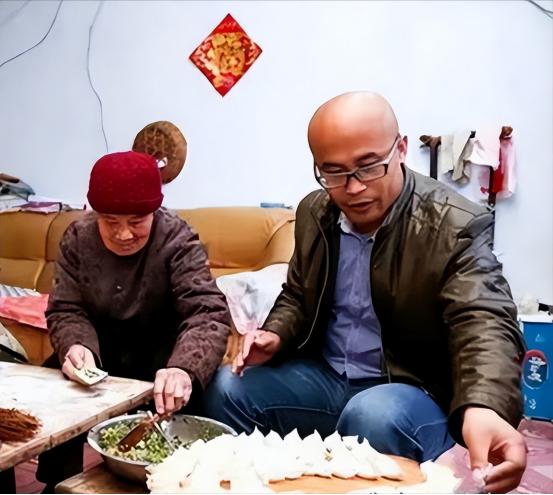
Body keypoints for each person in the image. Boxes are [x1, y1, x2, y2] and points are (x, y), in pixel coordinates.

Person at [204, 92, 527, 493]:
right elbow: (298, 294)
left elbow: (484, 318)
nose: (353, 188)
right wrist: (276, 334)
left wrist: (485, 404)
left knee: (372, 416)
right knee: (226, 388)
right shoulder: (314, 212)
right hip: (325, 377)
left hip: (411, 387)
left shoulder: (454, 223)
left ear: (401, 149)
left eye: (369, 167)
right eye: (333, 172)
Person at [36, 150, 230, 491]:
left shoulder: (177, 238)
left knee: (189, 413)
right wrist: (76, 345)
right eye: (110, 221)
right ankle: (58, 483)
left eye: (137, 221)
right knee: (58, 387)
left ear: (154, 210)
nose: (124, 234)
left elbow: (207, 311)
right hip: (99, 349)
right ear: (94, 212)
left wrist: (183, 368)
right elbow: (66, 309)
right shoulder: (78, 238)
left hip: (163, 356)